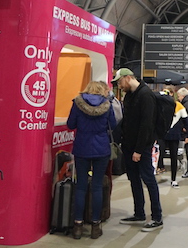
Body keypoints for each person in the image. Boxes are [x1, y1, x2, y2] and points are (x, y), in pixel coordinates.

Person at [112, 68, 163, 232]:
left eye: (120, 82)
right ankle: (139, 213)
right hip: (128, 146)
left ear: (128, 78)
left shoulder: (146, 95)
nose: (119, 86)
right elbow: (127, 121)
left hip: (141, 148)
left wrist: (139, 150)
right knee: (133, 180)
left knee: (149, 180)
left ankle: (157, 217)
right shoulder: (130, 96)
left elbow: (146, 125)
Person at [67, 81, 116, 240]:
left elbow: (70, 124)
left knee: (81, 186)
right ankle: (95, 226)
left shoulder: (77, 103)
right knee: (96, 187)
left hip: (82, 147)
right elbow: (113, 125)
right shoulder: (107, 105)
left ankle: (78, 226)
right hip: (101, 149)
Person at [159, 86, 188, 187]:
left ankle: (173, 179)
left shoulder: (179, 106)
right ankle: (158, 171)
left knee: (174, 157)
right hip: (162, 135)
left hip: (174, 136)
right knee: (159, 154)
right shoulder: (160, 105)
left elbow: (187, 122)